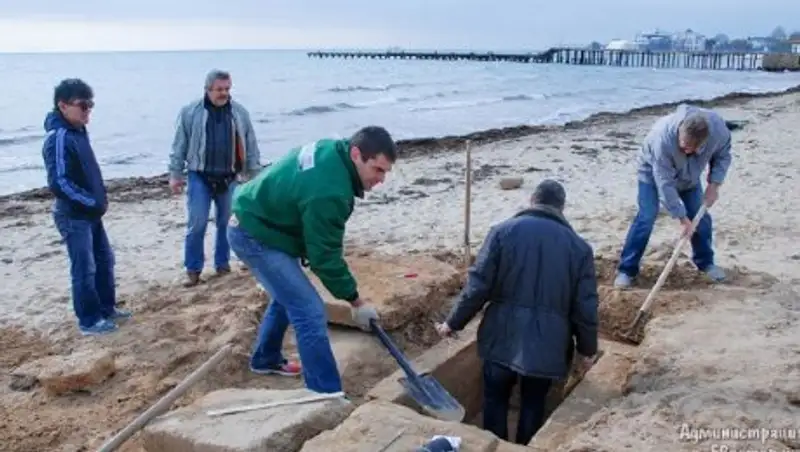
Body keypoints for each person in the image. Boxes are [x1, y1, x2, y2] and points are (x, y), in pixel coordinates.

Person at [227, 126, 396, 393]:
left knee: (288, 294)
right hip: (255, 234)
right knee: (309, 310)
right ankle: (325, 393)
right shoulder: (330, 192)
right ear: (356, 154)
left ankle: (265, 359)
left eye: (385, 172)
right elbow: (324, 257)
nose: (381, 179)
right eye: (377, 170)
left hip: (268, 224)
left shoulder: (333, 150)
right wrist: (355, 300)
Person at [436, 180, 599, 445]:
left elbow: (478, 287)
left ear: (532, 201)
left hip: (501, 337)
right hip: (548, 347)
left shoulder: (501, 232)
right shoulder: (579, 249)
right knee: (533, 403)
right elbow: (586, 307)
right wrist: (587, 350)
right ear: (562, 208)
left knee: (495, 398)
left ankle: (494, 445)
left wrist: (453, 323)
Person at [42, 78, 131, 336]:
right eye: (83, 106)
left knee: (105, 260)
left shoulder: (78, 132)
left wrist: (99, 199)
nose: (87, 111)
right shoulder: (58, 138)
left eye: (90, 106)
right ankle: (89, 320)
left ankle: (106, 308)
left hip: (91, 214)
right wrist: (90, 202)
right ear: (63, 105)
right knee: (84, 268)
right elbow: (59, 183)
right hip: (74, 215)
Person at [614, 104, 732, 288]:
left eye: (693, 149)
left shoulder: (718, 131)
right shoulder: (662, 140)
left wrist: (714, 185)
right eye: (684, 146)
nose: (687, 151)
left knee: (700, 218)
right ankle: (626, 270)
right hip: (652, 176)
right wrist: (682, 218)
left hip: (690, 178)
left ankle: (706, 263)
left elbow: (723, 155)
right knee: (647, 216)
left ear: (705, 141)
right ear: (680, 132)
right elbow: (665, 185)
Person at [168, 69, 262, 287]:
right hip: (199, 176)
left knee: (227, 222)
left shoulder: (239, 113)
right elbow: (179, 146)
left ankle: (222, 265)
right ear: (207, 89)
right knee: (197, 223)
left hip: (230, 176)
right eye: (219, 89)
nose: (224, 93)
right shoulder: (190, 112)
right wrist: (175, 174)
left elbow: (251, 145)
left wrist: (254, 175)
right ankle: (193, 270)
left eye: (227, 89)